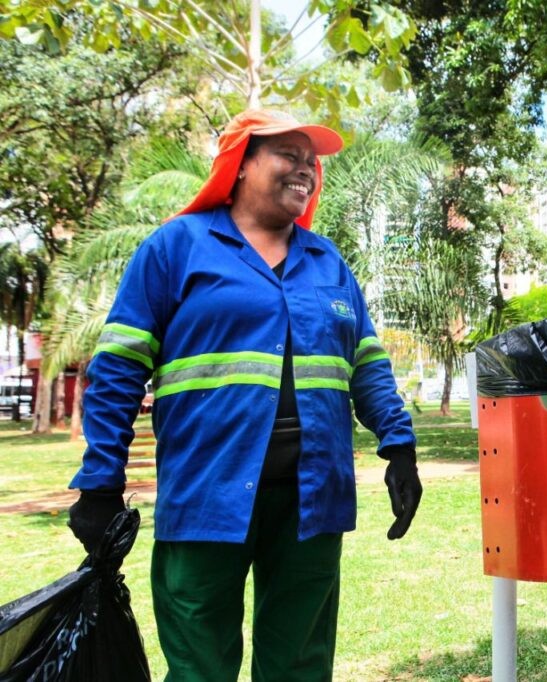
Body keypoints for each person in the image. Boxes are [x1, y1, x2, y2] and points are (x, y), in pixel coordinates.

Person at [67, 109, 423, 682]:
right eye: (289, 155)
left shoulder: (327, 262)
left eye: (312, 162)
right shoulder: (175, 248)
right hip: (207, 494)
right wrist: (100, 483)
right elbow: (118, 371)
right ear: (239, 164)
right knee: (200, 664)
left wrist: (398, 447)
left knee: (300, 664)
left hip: (313, 501)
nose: (305, 169)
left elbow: (367, 365)